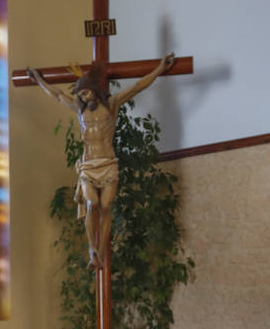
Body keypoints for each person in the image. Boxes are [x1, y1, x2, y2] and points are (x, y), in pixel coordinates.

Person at [26, 53, 176, 267]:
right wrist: (39, 80)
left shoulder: (112, 104)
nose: (84, 98)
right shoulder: (80, 110)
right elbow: (58, 95)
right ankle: (91, 249)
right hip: (88, 166)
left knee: (106, 207)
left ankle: (101, 252)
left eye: (86, 92)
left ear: (94, 90)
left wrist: (160, 68)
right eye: (81, 95)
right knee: (91, 203)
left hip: (107, 164)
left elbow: (137, 87)